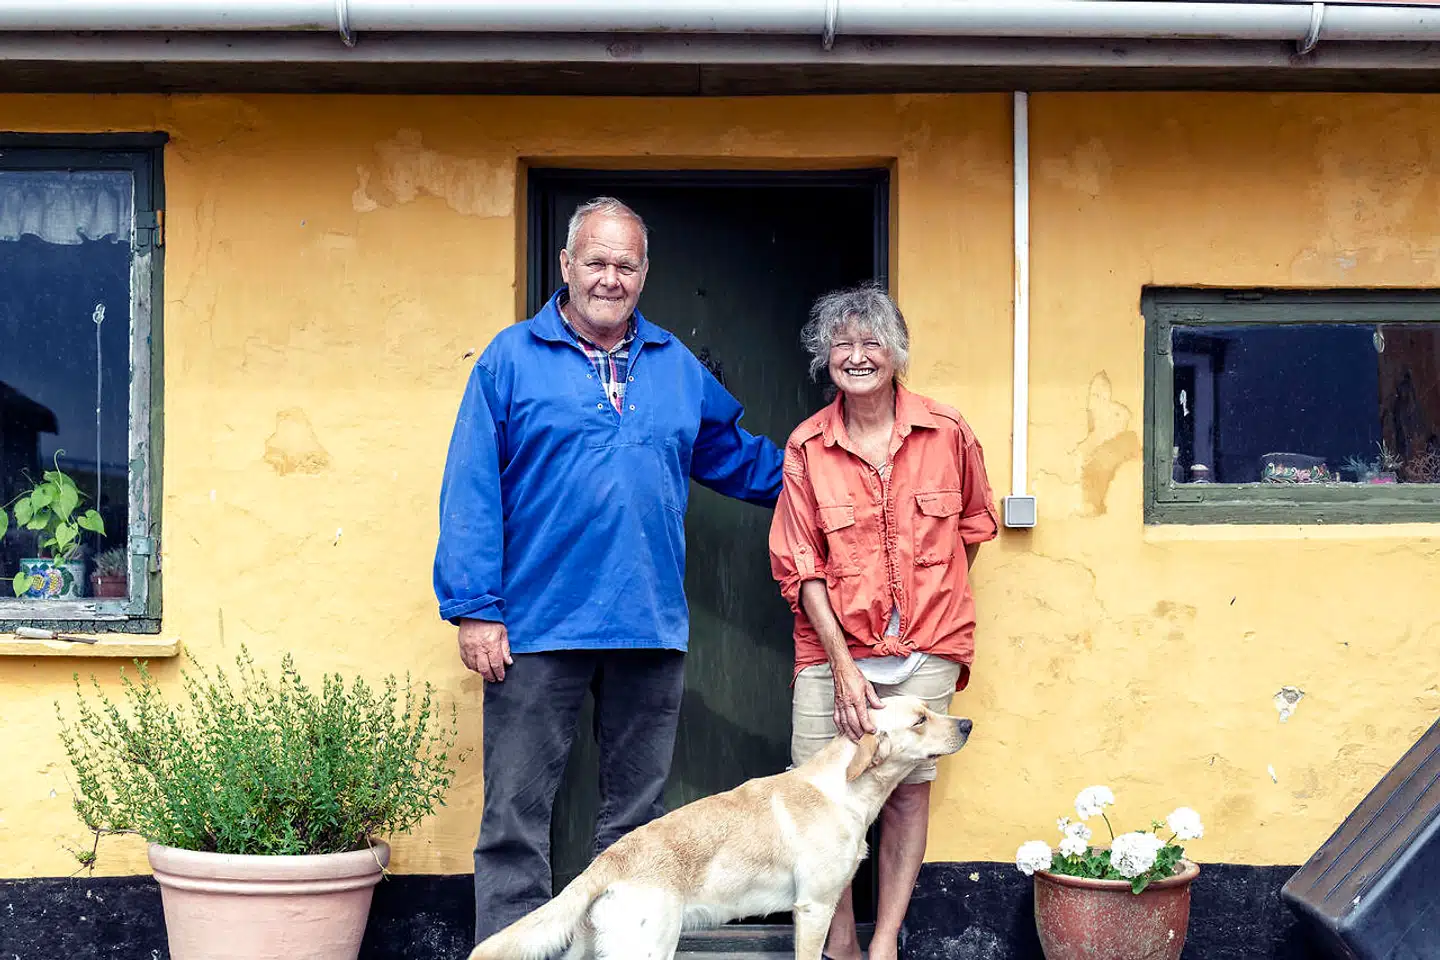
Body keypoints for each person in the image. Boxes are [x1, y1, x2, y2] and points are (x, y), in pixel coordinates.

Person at [434, 197, 784, 944]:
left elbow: (741, 459)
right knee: (514, 823)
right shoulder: (510, 358)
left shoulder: (674, 366)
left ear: (645, 273)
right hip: (534, 627)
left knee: (635, 829)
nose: (610, 277)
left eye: (626, 264)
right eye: (595, 261)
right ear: (566, 266)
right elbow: (470, 486)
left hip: (649, 626)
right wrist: (475, 608)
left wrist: (839, 471)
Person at [769, 284, 998, 960]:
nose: (858, 356)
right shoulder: (808, 446)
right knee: (826, 792)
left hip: (928, 643)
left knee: (905, 791)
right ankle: (837, 942)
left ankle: (886, 941)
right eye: (843, 344)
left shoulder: (947, 430)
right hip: (833, 647)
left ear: (897, 354)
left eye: (872, 343)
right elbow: (799, 564)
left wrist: (930, 601)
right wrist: (843, 664)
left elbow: (974, 528)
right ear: (824, 357)